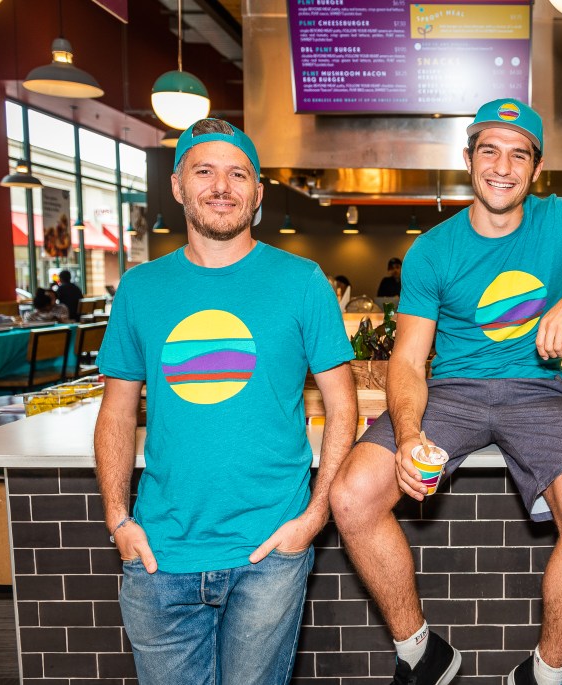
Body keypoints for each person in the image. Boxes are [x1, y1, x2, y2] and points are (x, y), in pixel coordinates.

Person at [330, 98, 562, 685]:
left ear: (537, 168)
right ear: (468, 159)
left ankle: (544, 674)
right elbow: (408, 360)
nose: (503, 167)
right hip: (452, 392)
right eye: (489, 151)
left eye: (518, 155)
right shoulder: (433, 249)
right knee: (352, 496)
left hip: (538, 393)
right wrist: (407, 435)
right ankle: (420, 652)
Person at [93, 118, 357, 685]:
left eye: (238, 174)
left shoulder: (302, 281)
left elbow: (343, 405)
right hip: (160, 553)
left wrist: (314, 518)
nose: (221, 187)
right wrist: (118, 521)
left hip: (270, 551)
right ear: (177, 185)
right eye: (204, 171)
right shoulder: (141, 287)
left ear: (258, 192)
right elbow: (115, 411)